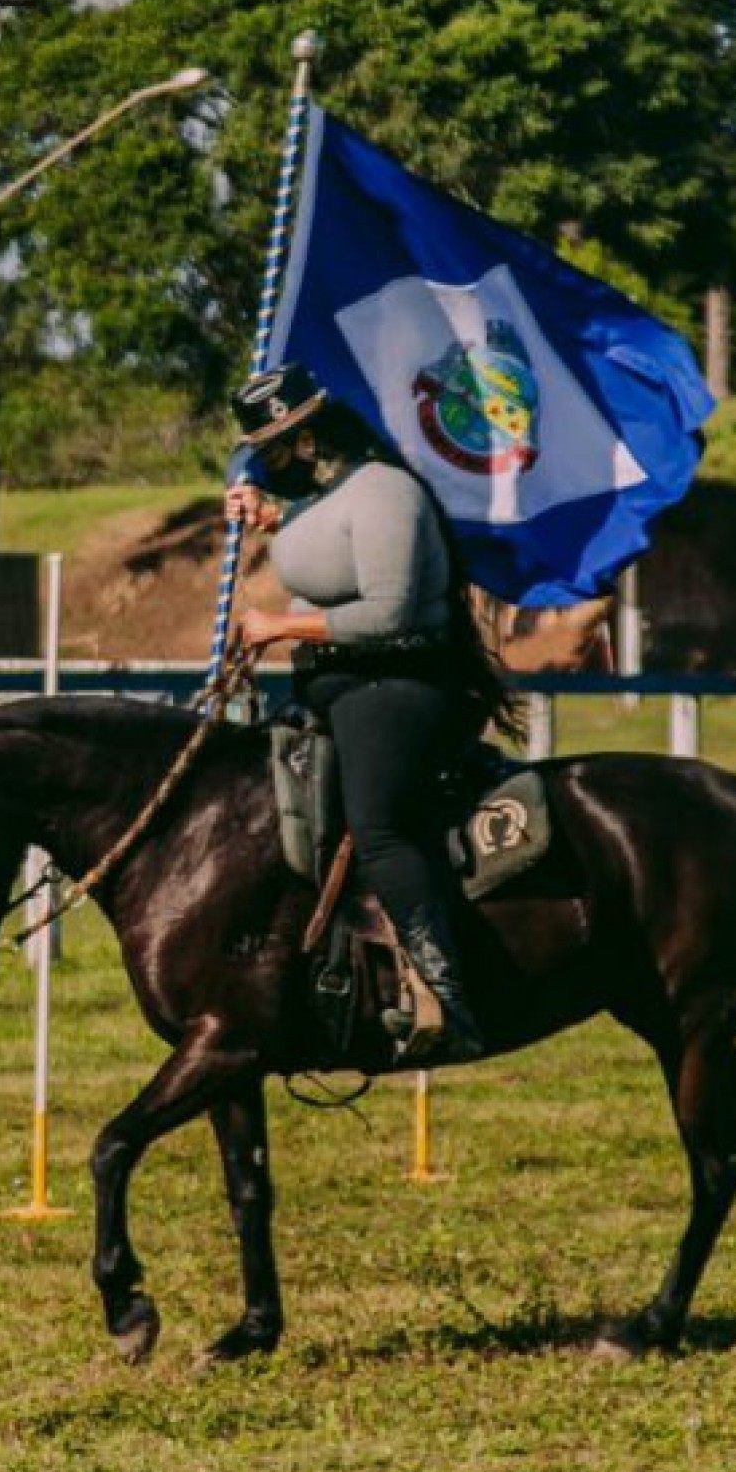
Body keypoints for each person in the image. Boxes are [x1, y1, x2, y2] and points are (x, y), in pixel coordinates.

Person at [226, 360, 517, 1063]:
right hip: (338, 687)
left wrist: (277, 629)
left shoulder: (387, 493)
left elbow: (387, 613)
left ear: (308, 439)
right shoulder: (325, 501)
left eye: (274, 446)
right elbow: (329, 558)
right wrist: (268, 517)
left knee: (378, 825)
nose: (267, 459)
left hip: (401, 686)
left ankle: (448, 997)